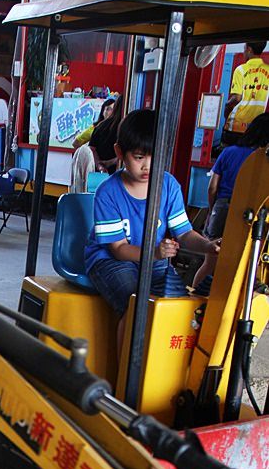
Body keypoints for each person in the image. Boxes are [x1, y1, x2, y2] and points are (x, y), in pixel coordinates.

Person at [84, 109, 219, 352]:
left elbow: (185, 234)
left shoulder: (168, 185)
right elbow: (118, 250)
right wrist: (156, 252)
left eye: (155, 157)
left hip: (152, 260)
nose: (148, 166)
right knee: (136, 303)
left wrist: (209, 246)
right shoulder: (108, 192)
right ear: (119, 153)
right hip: (110, 261)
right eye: (139, 157)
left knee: (177, 303)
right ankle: (126, 380)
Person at [192, 113, 269, 294]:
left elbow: (212, 188)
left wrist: (212, 210)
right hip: (251, 215)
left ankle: (193, 297)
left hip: (223, 207)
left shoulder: (228, 152)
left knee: (210, 263)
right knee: (245, 266)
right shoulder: (262, 161)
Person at [222, 42, 269, 146]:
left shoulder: (241, 70)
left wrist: (227, 106)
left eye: (244, 49)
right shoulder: (268, 70)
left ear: (249, 49)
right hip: (255, 128)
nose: (243, 52)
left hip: (236, 127)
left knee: (231, 156)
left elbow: (236, 99)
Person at [70, 97, 116, 193]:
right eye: (107, 109)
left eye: (113, 109)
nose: (110, 112)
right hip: (95, 172)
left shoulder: (116, 129)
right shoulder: (95, 128)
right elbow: (76, 143)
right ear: (102, 111)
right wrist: (88, 155)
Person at [88, 96, 124, 175]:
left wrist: (99, 165)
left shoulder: (100, 125)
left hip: (101, 174)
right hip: (118, 174)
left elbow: (92, 148)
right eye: (106, 109)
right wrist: (110, 162)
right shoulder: (126, 127)